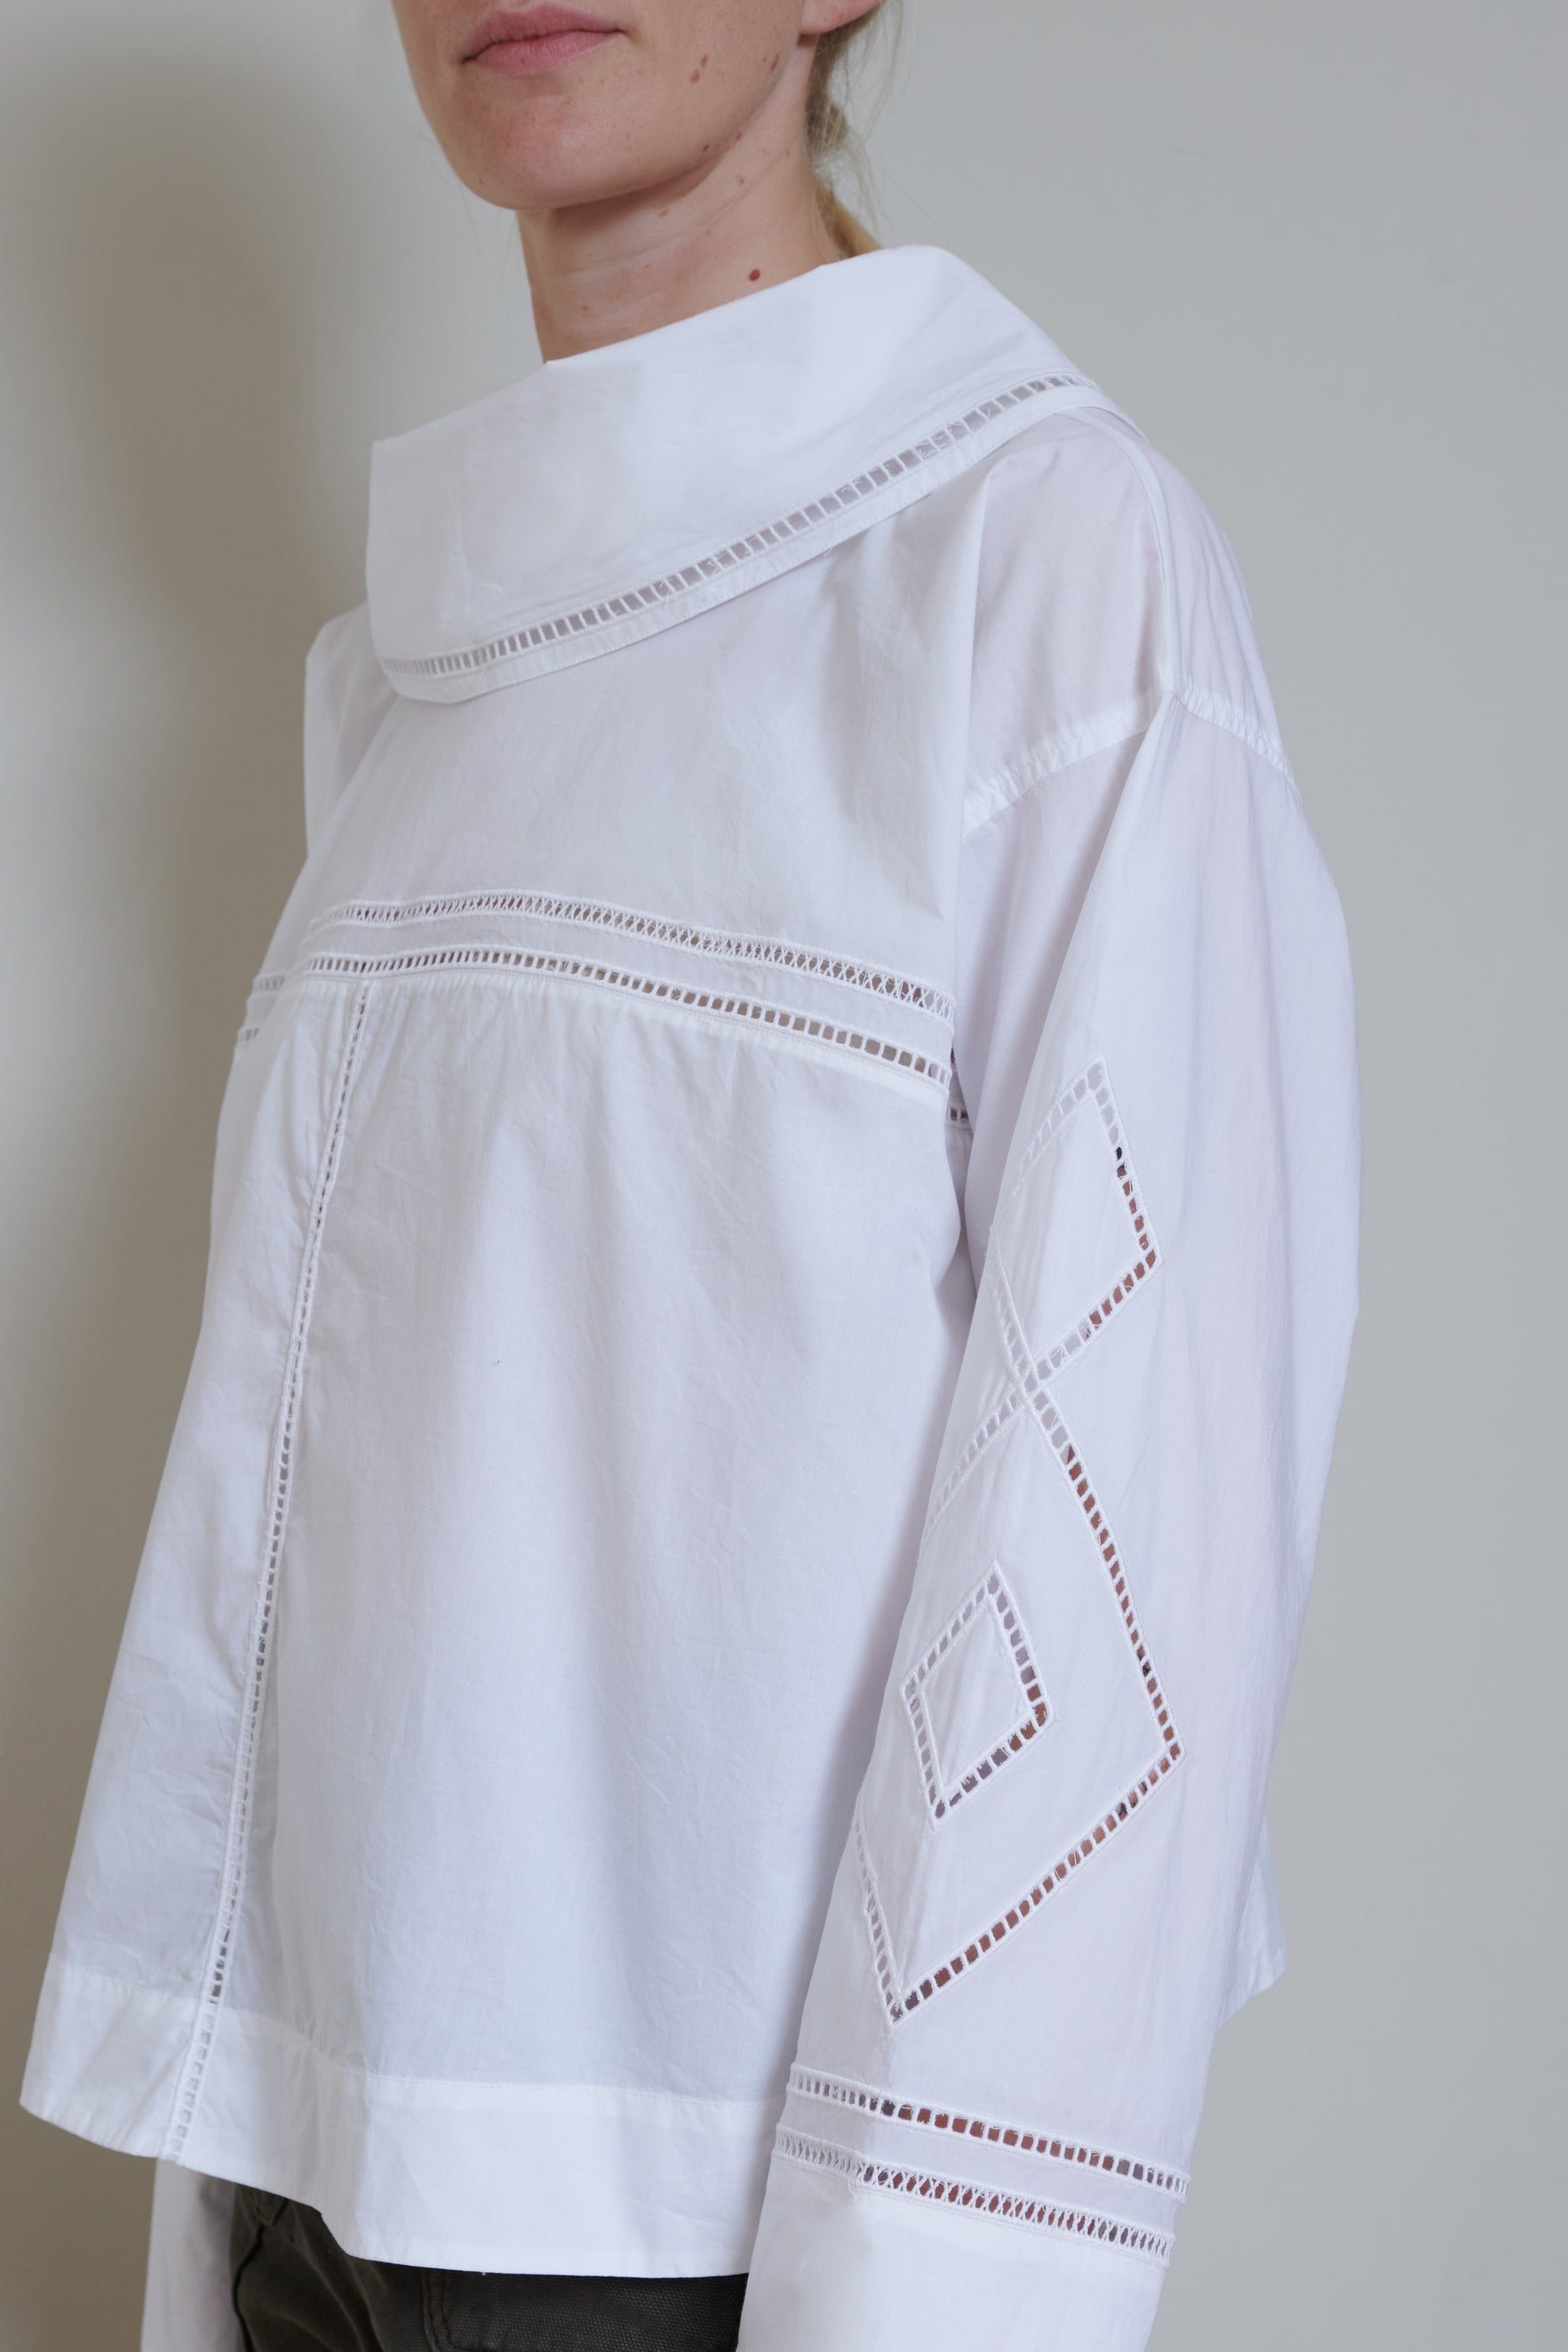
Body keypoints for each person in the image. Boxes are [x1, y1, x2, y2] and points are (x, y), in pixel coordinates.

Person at [20, 4, 1361, 2348]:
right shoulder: (407, 684)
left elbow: (1135, 1535)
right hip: (309, 2182)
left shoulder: (1043, 566)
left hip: (692, 2237)